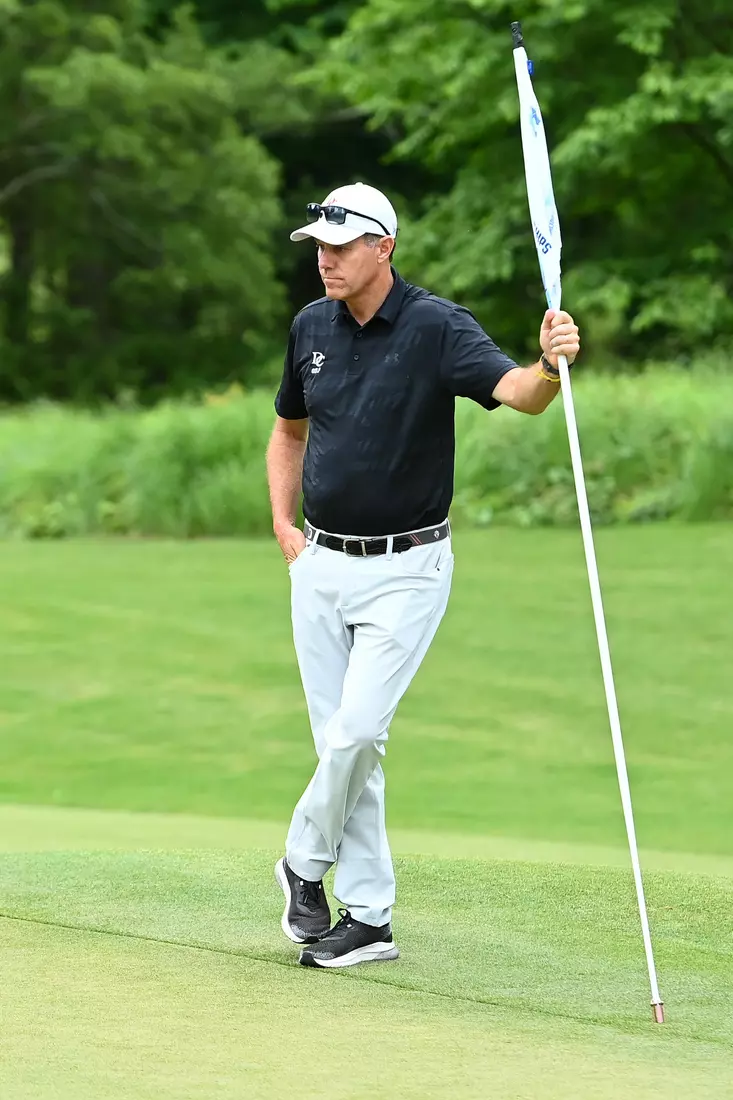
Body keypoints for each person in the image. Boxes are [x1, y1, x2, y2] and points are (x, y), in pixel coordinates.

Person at [266, 182, 580, 969]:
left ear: (384, 249)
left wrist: (548, 363)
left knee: (357, 733)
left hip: (406, 568)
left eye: (341, 247)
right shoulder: (310, 326)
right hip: (319, 561)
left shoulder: (436, 326)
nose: (326, 261)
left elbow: (519, 394)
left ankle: (303, 861)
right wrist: (280, 522)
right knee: (346, 751)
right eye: (320, 248)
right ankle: (367, 919)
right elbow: (287, 430)